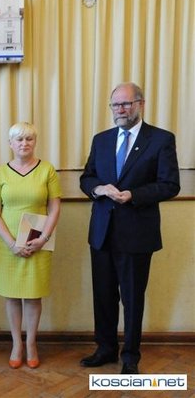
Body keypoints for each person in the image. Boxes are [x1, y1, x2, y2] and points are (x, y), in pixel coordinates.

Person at [79, 82, 180, 375]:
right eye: (115, 105)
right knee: (103, 296)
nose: (120, 110)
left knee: (132, 299)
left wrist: (133, 195)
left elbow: (170, 184)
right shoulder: (101, 140)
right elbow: (87, 178)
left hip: (137, 234)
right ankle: (105, 348)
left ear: (140, 104)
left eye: (126, 104)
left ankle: (131, 356)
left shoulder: (160, 139)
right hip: (102, 232)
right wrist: (98, 188)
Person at [0, 122, 61, 370]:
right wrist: (11, 244)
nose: (24, 143)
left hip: (38, 242)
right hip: (7, 243)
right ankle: (16, 344)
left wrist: (43, 238)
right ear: (10, 143)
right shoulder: (0, 172)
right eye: (19, 139)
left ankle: (31, 344)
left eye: (29, 139)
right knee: (12, 295)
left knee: (32, 295)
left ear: (35, 142)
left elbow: (54, 208)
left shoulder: (47, 170)